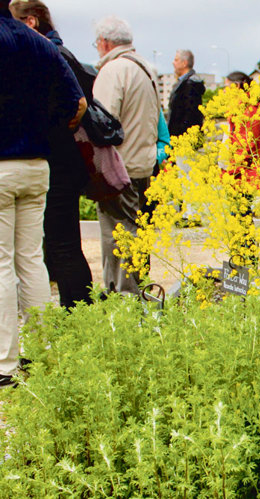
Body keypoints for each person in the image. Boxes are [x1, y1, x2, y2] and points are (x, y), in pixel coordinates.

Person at [1, 0, 86, 387]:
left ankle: (5, 362)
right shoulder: (40, 43)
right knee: (32, 260)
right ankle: (42, 350)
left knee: (2, 265)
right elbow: (78, 103)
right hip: (37, 163)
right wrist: (46, 127)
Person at [10, 0, 94, 309]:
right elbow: (79, 103)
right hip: (60, 161)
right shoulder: (59, 52)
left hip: (54, 160)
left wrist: (51, 129)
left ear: (30, 22)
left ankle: (78, 314)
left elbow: (79, 103)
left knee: (59, 246)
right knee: (52, 248)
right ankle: (75, 314)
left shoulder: (43, 52)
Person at [92, 16, 159, 294]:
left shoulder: (113, 70)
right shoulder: (146, 69)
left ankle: (125, 301)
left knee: (119, 238)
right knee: (137, 235)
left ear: (105, 42)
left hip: (119, 170)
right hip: (143, 165)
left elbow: (101, 123)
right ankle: (138, 295)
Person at [167, 49, 205, 137]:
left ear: (184, 63)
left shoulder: (190, 84)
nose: (173, 63)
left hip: (184, 139)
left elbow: (190, 115)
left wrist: (178, 134)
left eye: (176, 60)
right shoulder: (186, 82)